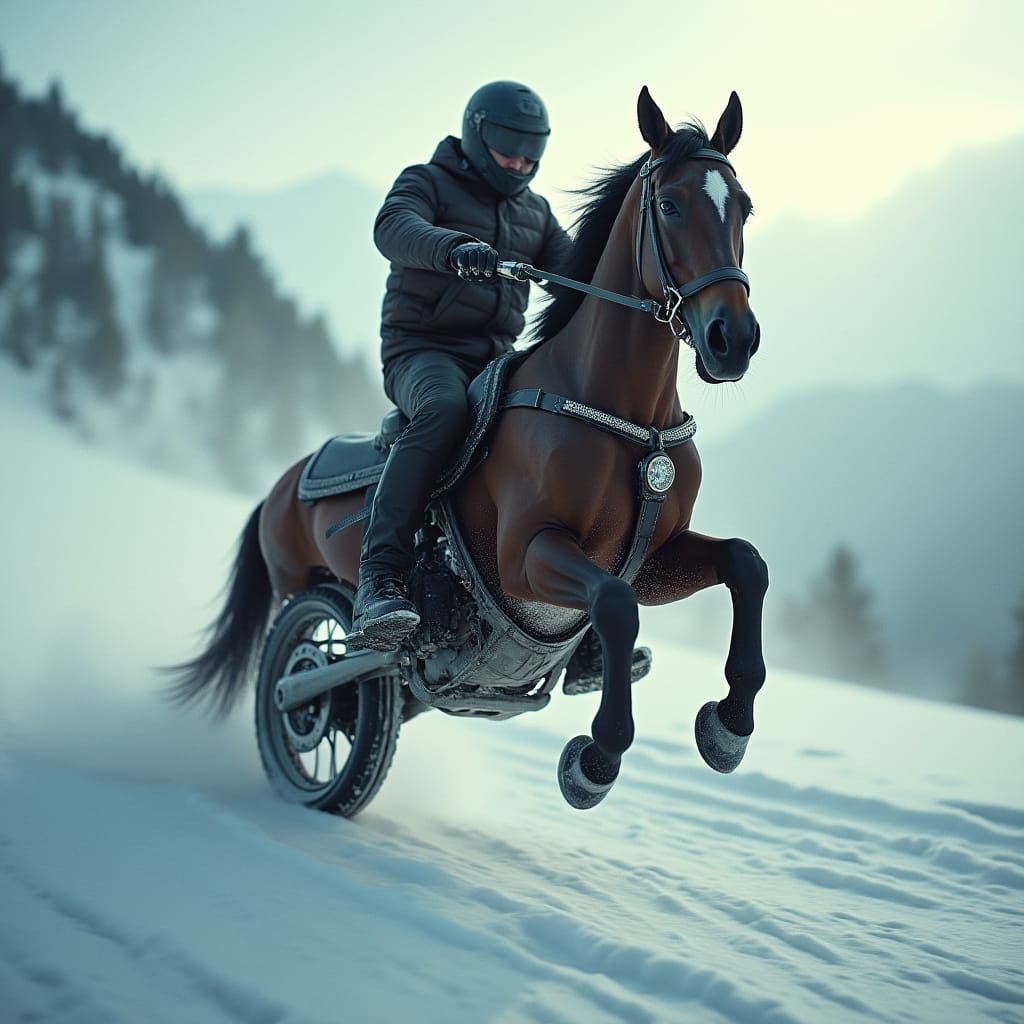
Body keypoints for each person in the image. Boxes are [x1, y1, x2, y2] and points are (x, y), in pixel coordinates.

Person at [352, 80, 572, 647]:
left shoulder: (536, 214)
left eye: (531, 155)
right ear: (478, 135)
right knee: (445, 410)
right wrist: (452, 249)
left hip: (494, 359)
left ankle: (577, 609)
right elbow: (393, 227)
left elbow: (581, 273)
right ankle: (379, 578)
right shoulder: (426, 183)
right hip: (420, 350)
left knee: (560, 422)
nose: (521, 164)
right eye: (509, 152)